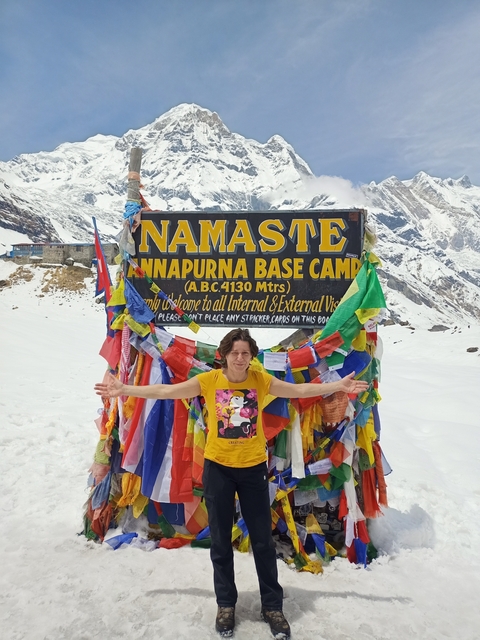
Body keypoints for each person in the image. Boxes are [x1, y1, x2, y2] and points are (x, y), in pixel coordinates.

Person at [95, 328, 369, 639]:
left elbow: (301, 391)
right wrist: (125, 389)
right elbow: (166, 392)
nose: (240, 358)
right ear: (224, 355)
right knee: (221, 543)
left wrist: (339, 385)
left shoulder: (261, 380)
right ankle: (226, 604)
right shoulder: (209, 381)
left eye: (245, 353)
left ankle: (272, 607)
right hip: (219, 471)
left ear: (252, 355)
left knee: (264, 542)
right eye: (234, 353)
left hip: (252, 471)